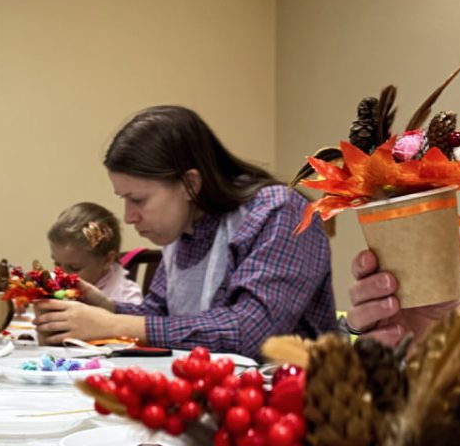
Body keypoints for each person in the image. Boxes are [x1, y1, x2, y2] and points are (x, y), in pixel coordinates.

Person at [33, 105, 335, 358]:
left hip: (296, 396)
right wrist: (106, 308)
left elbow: (253, 332)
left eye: (138, 200)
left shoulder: (279, 211)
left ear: (190, 184)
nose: (128, 217)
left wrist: (114, 325)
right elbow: (161, 316)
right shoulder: (186, 228)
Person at [48, 202, 142, 306]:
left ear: (107, 260)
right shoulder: (54, 286)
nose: (62, 277)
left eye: (74, 268)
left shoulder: (127, 298)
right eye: (57, 264)